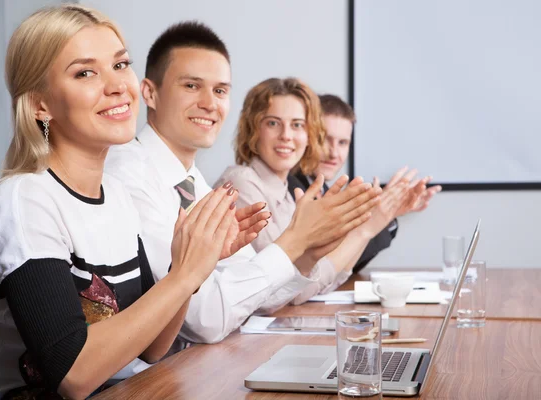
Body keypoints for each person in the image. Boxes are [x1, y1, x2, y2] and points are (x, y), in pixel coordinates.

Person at [0, 6, 237, 399]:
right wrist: (183, 276)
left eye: (120, 64)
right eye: (85, 72)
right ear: (39, 106)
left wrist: (194, 267)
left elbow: (150, 348)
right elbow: (74, 375)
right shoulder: (24, 200)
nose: (117, 86)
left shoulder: (115, 194)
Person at [105, 21, 381, 345]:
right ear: (150, 93)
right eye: (192, 86)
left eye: (220, 90)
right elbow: (205, 319)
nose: (210, 103)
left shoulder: (195, 183)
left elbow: (258, 293)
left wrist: (306, 254)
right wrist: (297, 240)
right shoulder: (128, 175)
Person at [217, 77, 408, 304]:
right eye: (273, 123)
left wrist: (363, 227)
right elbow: (284, 292)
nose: (286, 135)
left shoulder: (288, 193)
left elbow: (320, 281)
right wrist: (364, 230)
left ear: (309, 135)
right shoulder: (241, 185)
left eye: (297, 125)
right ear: (252, 130)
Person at [288, 94, 443, 273]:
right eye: (324, 140)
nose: (334, 153)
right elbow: (322, 268)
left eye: (343, 143)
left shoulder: (323, 189)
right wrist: (378, 217)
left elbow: (346, 266)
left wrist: (387, 213)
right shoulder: (291, 188)